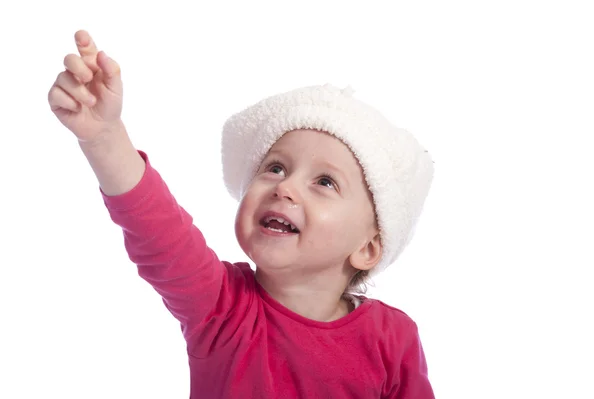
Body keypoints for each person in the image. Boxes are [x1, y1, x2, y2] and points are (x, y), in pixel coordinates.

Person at [48, 30, 436, 399]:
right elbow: (158, 231)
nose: (285, 187)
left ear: (367, 248)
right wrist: (104, 136)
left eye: (325, 182)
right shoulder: (220, 305)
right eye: (276, 168)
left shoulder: (393, 338)